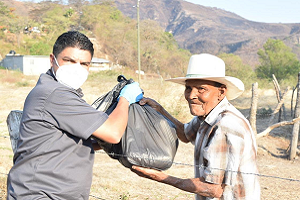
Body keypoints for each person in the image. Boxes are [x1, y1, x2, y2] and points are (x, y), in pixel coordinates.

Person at [7, 31, 143, 199]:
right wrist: (125, 99)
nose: (76, 69)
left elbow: (70, 143)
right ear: (52, 60)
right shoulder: (55, 94)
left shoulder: (58, 92)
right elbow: (113, 134)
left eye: (84, 63)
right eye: (69, 61)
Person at [131, 53, 260, 200]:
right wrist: (159, 110)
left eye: (201, 89)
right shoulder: (207, 115)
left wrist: (161, 177)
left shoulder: (224, 125)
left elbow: (213, 189)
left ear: (221, 92)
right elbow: (186, 134)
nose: (191, 95)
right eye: (188, 88)